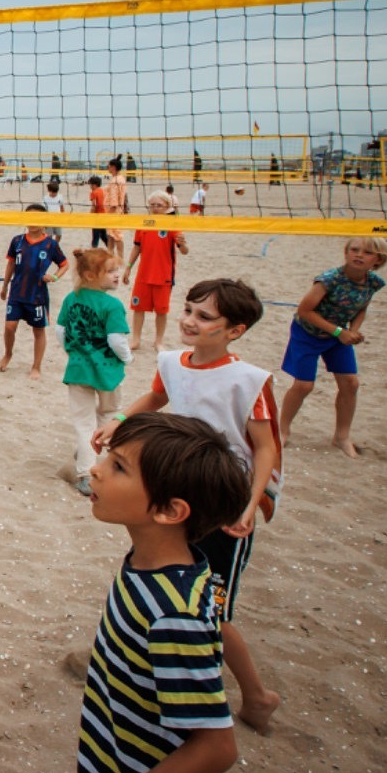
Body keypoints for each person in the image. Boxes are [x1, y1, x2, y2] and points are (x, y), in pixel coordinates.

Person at [93, 278, 284, 736]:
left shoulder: (249, 379)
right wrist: (121, 419)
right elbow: (156, 398)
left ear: (234, 330)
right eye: (188, 310)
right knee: (164, 580)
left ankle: (256, 695)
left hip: (223, 500)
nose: (189, 321)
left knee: (212, 609)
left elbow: (266, 449)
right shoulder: (172, 362)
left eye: (204, 317)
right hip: (179, 490)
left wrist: (250, 504)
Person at [59, 412, 249, 773]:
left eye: (118, 466)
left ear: (168, 510)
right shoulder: (151, 565)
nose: (96, 469)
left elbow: (217, 747)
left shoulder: (173, 616)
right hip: (111, 772)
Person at [278, 237, 387, 457]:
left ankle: (342, 436)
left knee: (350, 383)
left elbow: (361, 308)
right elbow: (305, 310)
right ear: (346, 253)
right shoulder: (329, 280)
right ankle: (282, 430)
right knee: (304, 385)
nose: (359, 255)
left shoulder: (372, 282)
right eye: (354, 250)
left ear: (378, 260)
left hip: (338, 336)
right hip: (308, 333)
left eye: (367, 252)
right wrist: (340, 332)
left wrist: (354, 330)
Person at [56, 247, 131, 494]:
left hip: (79, 369)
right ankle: (87, 470)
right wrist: (127, 358)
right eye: (110, 271)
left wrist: (73, 352)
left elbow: (60, 331)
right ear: (90, 275)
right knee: (108, 414)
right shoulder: (112, 305)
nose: (117, 275)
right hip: (108, 370)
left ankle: (85, 461)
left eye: (117, 270)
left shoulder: (71, 298)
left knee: (84, 422)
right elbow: (117, 340)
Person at [0, 205, 67, 380]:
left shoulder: (51, 244)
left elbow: (64, 265)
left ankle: (36, 366)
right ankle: (8, 354)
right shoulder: (17, 241)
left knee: (38, 331)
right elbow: (10, 264)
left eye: (37, 218)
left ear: (44, 221)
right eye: (30, 217)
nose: (33, 222)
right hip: (17, 292)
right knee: (9, 327)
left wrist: (55, 277)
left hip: (37, 295)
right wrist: (4, 286)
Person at [123, 193, 189, 351]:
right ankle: (136, 340)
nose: (154, 208)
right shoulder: (144, 223)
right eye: (152, 205)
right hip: (143, 275)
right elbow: (137, 247)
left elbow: (184, 251)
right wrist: (128, 267)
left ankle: (158, 341)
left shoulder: (172, 224)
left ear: (167, 206)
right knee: (138, 308)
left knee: (161, 311)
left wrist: (183, 243)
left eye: (158, 205)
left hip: (163, 275)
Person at [103, 157, 128, 260]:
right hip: (118, 210)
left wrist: (110, 214)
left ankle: (120, 258)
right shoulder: (121, 178)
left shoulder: (115, 181)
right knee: (111, 235)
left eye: (108, 166)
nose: (107, 167)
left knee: (117, 236)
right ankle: (111, 256)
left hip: (114, 212)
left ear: (113, 167)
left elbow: (114, 201)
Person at [87, 175, 108, 249]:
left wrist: (90, 215)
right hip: (104, 215)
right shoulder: (102, 190)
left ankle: (93, 251)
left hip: (97, 217)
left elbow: (94, 205)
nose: (90, 186)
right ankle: (110, 249)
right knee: (103, 235)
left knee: (95, 236)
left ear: (94, 185)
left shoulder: (93, 193)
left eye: (91, 185)